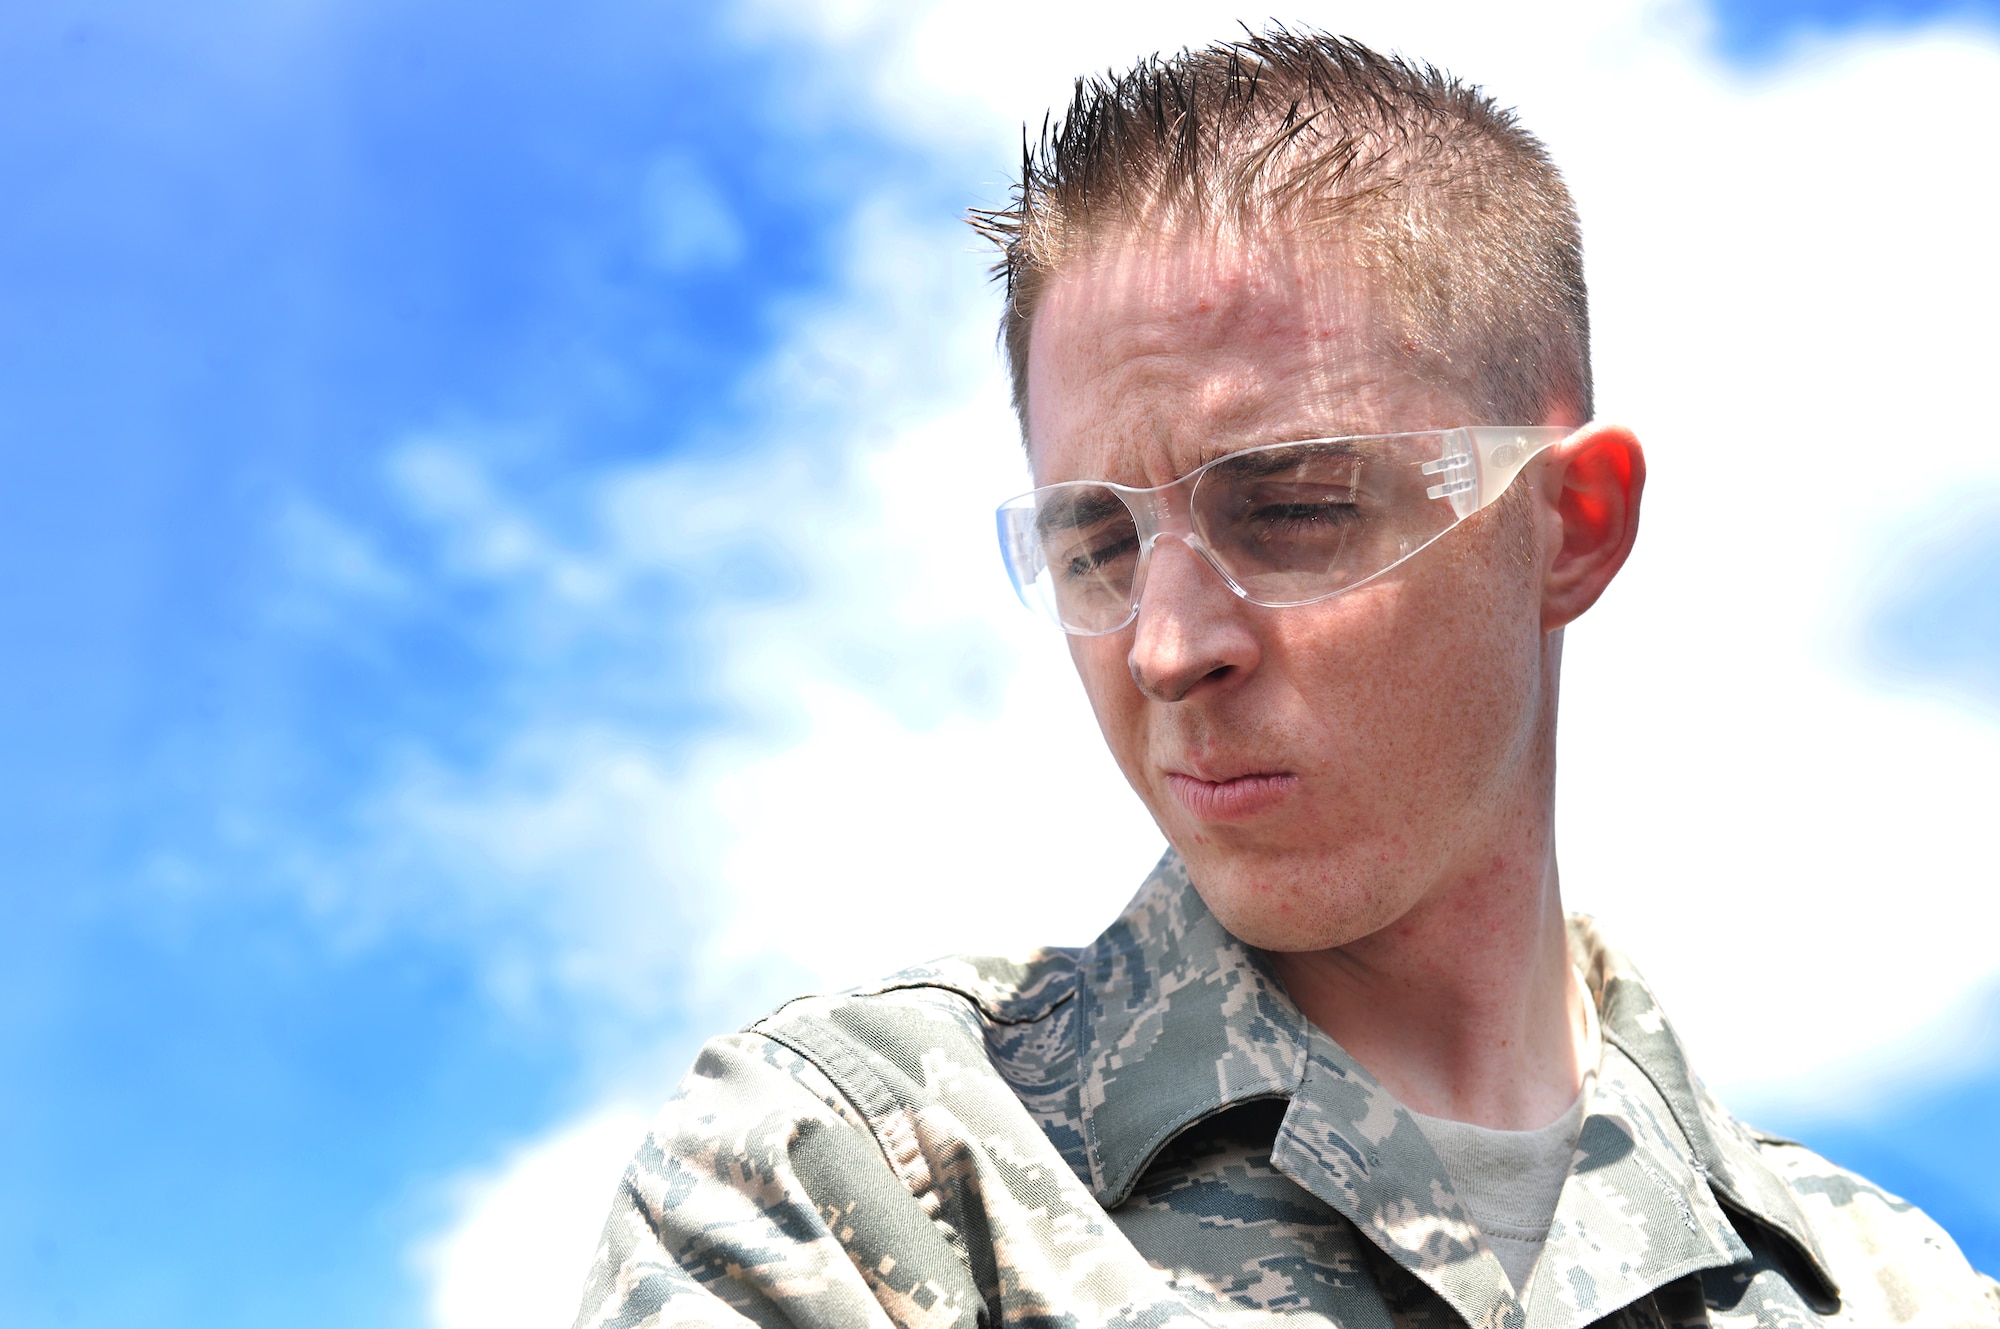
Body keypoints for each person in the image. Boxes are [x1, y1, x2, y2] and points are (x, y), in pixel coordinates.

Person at [572, 29, 1999, 1329]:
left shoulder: (1897, 1294)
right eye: (1096, 546)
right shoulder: (862, 1175)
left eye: (1296, 509)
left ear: (1570, 524)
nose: (1167, 646)